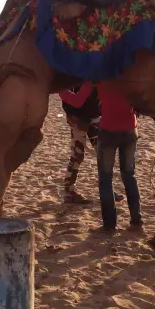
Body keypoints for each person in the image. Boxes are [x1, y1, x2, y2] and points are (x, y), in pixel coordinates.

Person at [60, 83, 142, 232]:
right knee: (79, 155)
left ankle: (110, 222)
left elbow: (77, 98)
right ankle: (69, 190)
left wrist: (60, 91)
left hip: (100, 120)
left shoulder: (98, 72)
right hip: (84, 119)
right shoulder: (128, 69)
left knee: (105, 172)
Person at [58, 86, 123, 204]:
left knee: (103, 154)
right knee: (77, 155)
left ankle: (107, 190)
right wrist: (70, 114)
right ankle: (69, 192)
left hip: (94, 116)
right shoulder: (74, 71)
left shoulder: (95, 70)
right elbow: (65, 92)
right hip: (78, 118)